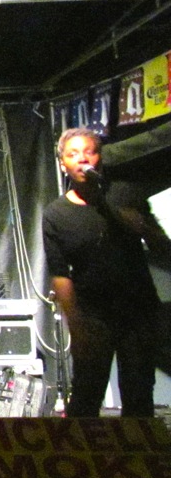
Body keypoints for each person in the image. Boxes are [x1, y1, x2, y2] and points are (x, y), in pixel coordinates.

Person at [42, 126, 169, 418]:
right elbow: (60, 273)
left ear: (101, 158)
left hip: (138, 310)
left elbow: (162, 247)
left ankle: (137, 448)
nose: (82, 159)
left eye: (90, 152)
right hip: (94, 315)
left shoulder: (123, 195)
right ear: (63, 164)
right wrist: (76, 326)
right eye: (73, 154)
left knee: (139, 395)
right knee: (86, 395)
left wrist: (142, 226)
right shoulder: (56, 214)